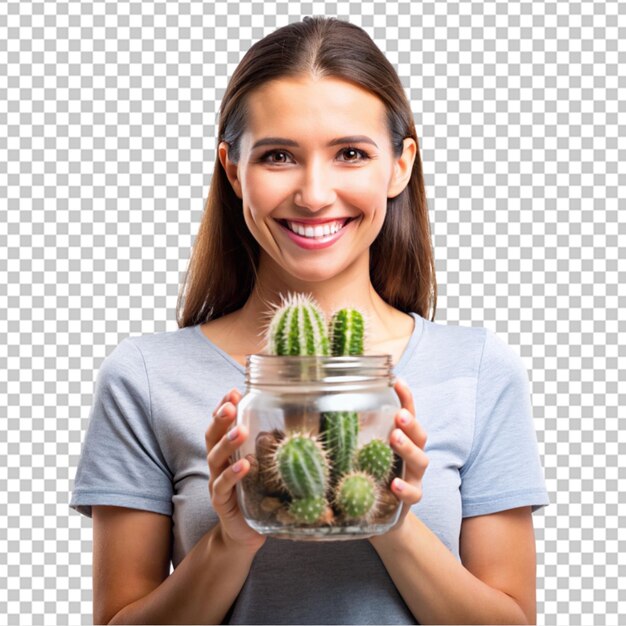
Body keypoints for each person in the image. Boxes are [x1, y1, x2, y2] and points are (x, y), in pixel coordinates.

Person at [69, 15, 550, 625]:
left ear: (400, 165)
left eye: (351, 153)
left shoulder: (477, 369)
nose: (315, 193)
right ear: (233, 169)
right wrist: (230, 540)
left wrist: (386, 518)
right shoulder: (144, 375)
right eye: (278, 157)